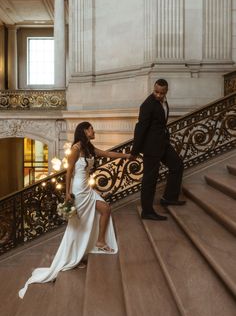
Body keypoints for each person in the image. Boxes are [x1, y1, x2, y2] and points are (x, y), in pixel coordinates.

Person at [19, 121, 130, 299]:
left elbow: (107, 153)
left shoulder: (89, 147)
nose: (94, 130)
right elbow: (68, 172)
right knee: (77, 226)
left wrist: (125, 156)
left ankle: (99, 242)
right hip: (79, 191)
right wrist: (67, 193)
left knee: (105, 210)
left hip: (88, 190)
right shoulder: (77, 148)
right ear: (85, 131)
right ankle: (73, 257)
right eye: (91, 128)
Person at [131, 79, 185, 221]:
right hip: (151, 147)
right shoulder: (147, 105)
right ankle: (147, 211)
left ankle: (169, 197)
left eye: (162, 93)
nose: (159, 95)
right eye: (156, 92)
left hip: (162, 143)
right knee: (150, 179)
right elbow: (141, 128)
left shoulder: (164, 101)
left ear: (166, 91)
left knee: (177, 165)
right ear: (153, 89)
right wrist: (135, 151)